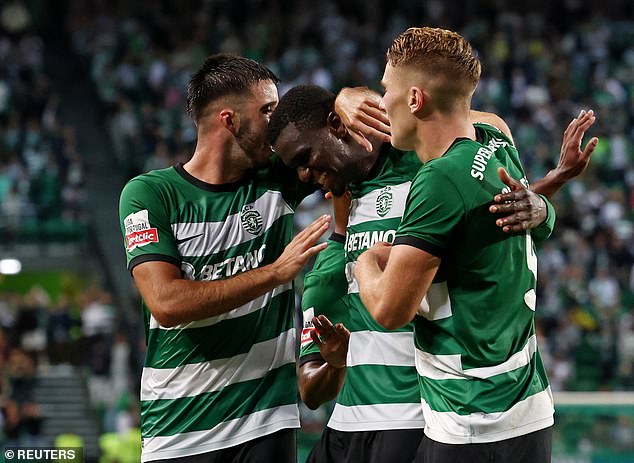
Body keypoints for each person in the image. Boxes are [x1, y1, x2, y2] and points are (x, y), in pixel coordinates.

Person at [267, 84, 596, 462]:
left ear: (338, 126)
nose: (307, 177)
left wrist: (542, 203)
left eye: (307, 159)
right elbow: (311, 391)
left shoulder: (427, 165)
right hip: (347, 427)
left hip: (422, 419)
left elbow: (480, 145)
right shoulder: (335, 239)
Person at [354, 27, 599, 463]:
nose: (380, 101)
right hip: (529, 412)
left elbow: (390, 311)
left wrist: (364, 259)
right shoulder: (497, 144)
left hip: (469, 423)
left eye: (385, 89)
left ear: (414, 99)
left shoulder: (440, 179)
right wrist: (550, 195)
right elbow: (518, 222)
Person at [118, 54, 333, 463]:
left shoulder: (278, 178)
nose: (280, 120)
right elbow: (167, 303)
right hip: (179, 428)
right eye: (268, 110)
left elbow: (373, 135)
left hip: (265, 419)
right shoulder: (150, 194)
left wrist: (354, 100)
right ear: (230, 121)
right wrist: (274, 273)